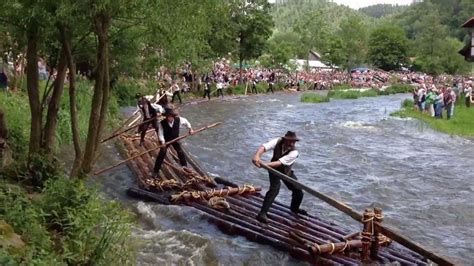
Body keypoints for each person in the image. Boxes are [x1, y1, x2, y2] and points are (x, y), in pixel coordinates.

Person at [252, 131, 306, 223]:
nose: (292, 143)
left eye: (294, 142)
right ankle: (262, 213)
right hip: (273, 170)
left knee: (298, 190)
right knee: (274, 189)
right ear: (285, 140)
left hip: (285, 172)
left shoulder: (294, 152)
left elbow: (279, 163)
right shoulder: (278, 141)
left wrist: (263, 164)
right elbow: (263, 147)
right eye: (290, 141)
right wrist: (257, 156)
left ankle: (294, 209)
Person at [152, 107, 194, 178]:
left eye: (170, 117)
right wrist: (162, 142)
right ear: (166, 116)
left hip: (175, 138)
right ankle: (155, 170)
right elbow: (160, 133)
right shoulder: (162, 123)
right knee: (162, 153)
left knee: (180, 151)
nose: (169, 118)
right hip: (166, 140)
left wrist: (190, 129)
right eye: (168, 117)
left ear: (173, 116)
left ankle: (184, 166)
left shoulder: (179, 120)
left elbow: (186, 122)